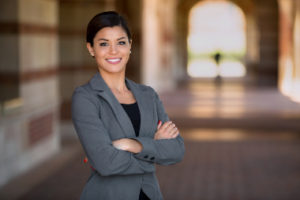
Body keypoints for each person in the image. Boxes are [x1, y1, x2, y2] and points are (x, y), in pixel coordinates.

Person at [72, 11, 185, 200]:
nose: (113, 51)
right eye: (103, 44)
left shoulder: (148, 95)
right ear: (91, 48)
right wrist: (154, 148)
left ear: (130, 46)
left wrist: (130, 144)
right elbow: (106, 164)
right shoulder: (86, 98)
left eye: (121, 42)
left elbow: (176, 150)